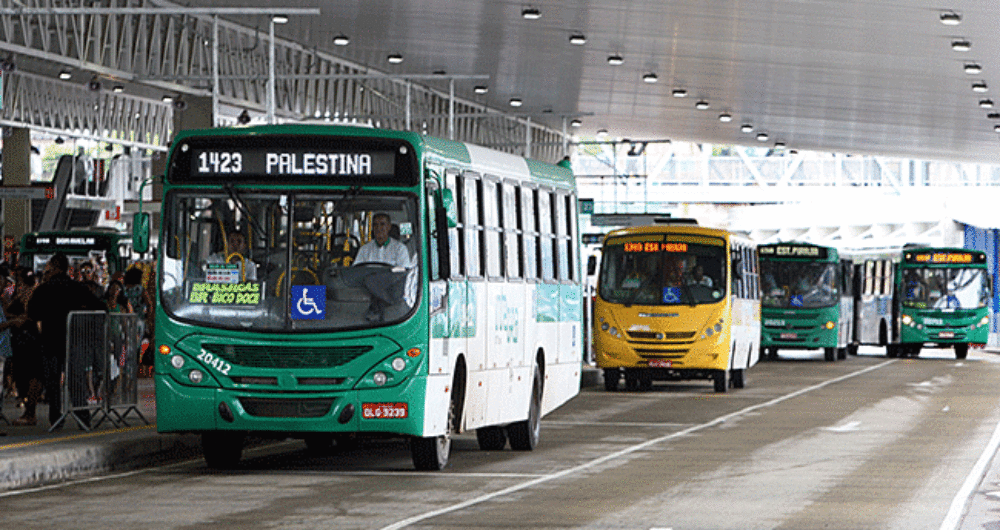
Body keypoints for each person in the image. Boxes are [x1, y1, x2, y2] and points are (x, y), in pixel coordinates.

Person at [27, 253, 105, 429]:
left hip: (50, 340)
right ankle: (82, 416)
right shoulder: (77, 288)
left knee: (53, 381)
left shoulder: (44, 289)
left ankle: (56, 418)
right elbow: (100, 307)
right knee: (76, 379)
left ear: (54, 266)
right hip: (75, 340)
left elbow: (33, 313)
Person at [344, 213, 414, 322]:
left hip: (393, 297)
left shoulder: (400, 249)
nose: (379, 228)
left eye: (382, 224)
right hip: (365, 299)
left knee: (372, 280)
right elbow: (356, 272)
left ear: (389, 227)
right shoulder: (364, 249)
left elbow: (403, 274)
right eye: (376, 225)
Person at [8, 269, 41, 426]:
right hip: (25, 338)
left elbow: (28, 316)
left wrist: (15, 319)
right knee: (26, 376)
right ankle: (28, 411)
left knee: (28, 376)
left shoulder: (28, 295)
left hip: (28, 339)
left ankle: (30, 413)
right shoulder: (29, 293)